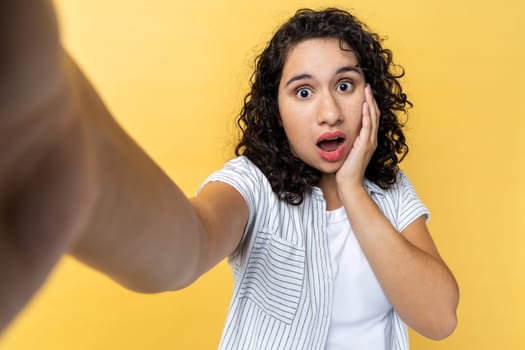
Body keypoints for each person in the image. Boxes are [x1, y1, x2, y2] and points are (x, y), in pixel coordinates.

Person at [1, 1, 459, 349]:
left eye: (345, 85)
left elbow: (439, 318)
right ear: (277, 111)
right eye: (303, 91)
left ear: (370, 96)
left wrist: (353, 190)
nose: (330, 112)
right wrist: (81, 164)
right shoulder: (253, 183)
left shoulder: (392, 191)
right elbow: (189, 243)